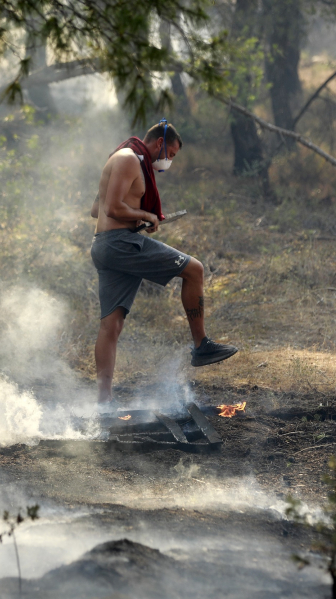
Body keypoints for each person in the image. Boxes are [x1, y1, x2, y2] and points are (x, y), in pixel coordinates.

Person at [90, 120, 238, 408]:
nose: (169, 161)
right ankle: (202, 346)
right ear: (159, 143)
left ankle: (103, 403)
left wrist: (139, 218)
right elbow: (109, 209)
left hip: (109, 245)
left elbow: (97, 209)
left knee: (112, 325)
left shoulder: (121, 157)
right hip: (121, 244)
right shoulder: (129, 159)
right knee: (194, 269)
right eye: (170, 154)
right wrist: (147, 215)